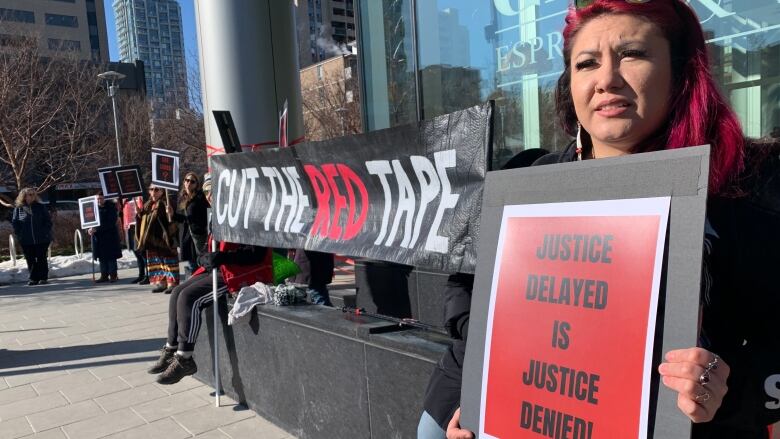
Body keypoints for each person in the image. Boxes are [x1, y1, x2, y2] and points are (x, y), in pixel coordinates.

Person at [438, 1, 780, 438]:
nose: (606, 80)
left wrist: (730, 388)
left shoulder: (753, 187)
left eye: (632, 54)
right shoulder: (528, 183)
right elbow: (465, 292)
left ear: (681, 72)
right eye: (587, 63)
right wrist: (482, 388)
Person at [148, 178, 273, 385]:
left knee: (189, 297)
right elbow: (212, 248)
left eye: (213, 192)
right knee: (178, 292)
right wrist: (204, 257)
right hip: (221, 268)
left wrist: (224, 258)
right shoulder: (218, 215)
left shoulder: (249, 214)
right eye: (207, 193)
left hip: (242, 272)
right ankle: (171, 347)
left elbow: (256, 255)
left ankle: (185, 357)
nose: (209, 197)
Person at [136, 185, 179, 294]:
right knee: (157, 261)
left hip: (165, 237)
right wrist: (139, 214)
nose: (154, 192)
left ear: (162, 191)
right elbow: (144, 221)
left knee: (168, 261)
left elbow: (173, 219)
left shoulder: (167, 202)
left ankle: (172, 283)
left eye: (156, 189)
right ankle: (162, 282)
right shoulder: (147, 205)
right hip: (152, 238)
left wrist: (170, 213)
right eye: (151, 189)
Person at [167, 172, 209, 279]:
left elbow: (203, 216)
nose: (189, 183)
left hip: (198, 234)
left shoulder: (200, 197)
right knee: (191, 263)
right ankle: (194, 282)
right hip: (186, 234)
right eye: (187, 180)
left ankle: (201, 282)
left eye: (192, 181)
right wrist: (173, 214)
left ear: (196, 184)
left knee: (201, 261)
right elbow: (182, 219)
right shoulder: (182, 198)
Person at [11, 188, 52, 286]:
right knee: (30, 259)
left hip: (41, 238)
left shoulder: (40, 207)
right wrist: (19, 234)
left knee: (41, 258)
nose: (31, 196)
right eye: (29, 194)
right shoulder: (19, 208)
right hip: (26, 239)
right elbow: (15, 222)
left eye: (33, 194)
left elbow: (48, 221)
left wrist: (45, 232)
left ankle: (43, 277)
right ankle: (33, 278)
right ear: (24, 196)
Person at [88, 193, 122, 283]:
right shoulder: (94, 208)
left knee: (110, 257)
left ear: (105, 199)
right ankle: (104, 275)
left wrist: (97, 229)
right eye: (98, 199)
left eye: (101, 198)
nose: (99, 200)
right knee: (102, 257)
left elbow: (110, 223)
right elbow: (89, 222)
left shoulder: (111, 208)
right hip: (99, 237)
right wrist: (89, 229)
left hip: (110, 236)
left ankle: (113, 275)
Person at [124, 196, 148, 284]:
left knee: (143, 254)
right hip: (131, 229)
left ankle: (148, 275)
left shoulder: (141, 197)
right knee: (137, 254)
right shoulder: (126, 199)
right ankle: (141, 275)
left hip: (140, 229)